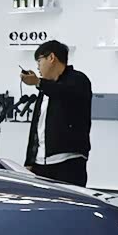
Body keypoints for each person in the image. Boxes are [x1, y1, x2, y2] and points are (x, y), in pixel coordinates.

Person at [20, 40, 91, 185]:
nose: (38, 67)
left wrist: (38, 82)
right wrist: (29, 160)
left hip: (68, 162)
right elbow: (37, 126)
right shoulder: (44, 89)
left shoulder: (78, 80)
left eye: (39, 61)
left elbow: (64, 93)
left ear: (51, 57)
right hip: (40, 163)